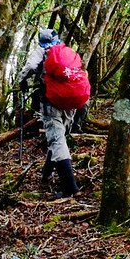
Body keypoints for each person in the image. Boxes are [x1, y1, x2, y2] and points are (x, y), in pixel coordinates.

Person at [19, 28, 79, 198]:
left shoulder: (42, 51)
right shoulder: (65, 50)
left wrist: (22, 80)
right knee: (59, 137)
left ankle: (70, 187)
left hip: (51, 100)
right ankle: (46, 174)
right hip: (70, 100)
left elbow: (30, 66)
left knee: (57, 139)